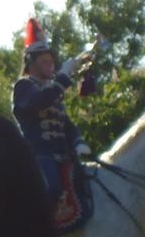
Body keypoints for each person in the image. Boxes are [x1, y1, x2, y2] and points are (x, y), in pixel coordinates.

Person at [12, 18, 92, 207]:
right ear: (31, 63)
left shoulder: (53, 92)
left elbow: (67, 125)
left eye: (52, 62)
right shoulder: (23, 86)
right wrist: (62, 79)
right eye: (45, 62)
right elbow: (39, 102)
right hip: (39, 156)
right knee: (52, 188)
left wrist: (78, 141)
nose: (51, 66)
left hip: (64, 156)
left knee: (89, 184)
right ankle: (37, 231)